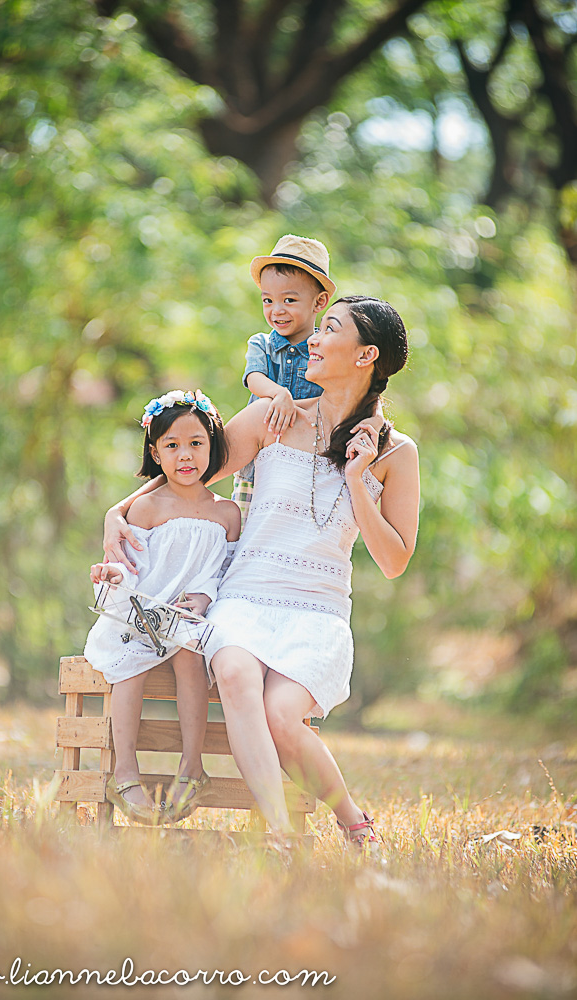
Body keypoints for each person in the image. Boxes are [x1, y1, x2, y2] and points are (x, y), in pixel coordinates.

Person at [103, 297, 420, 847]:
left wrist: (357, 478)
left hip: (317, 610)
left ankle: (354, 822)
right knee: (233, 671)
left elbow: (394, 561)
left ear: (367, 355)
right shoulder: (274, 417)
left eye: (329, 330)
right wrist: (117, 511)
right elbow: (188, 475)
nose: (312, 340)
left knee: (282, 717)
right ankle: (280, 833)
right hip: (244, 597)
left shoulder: (395, 453)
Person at [85, 389, 240, 825]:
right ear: (155, 452)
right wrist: (114, 576)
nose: (185, 456)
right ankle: (125, 772)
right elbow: (131, 567)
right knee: (131, 661)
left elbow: (226, 571)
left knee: (191, 654)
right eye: (171, 446)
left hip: (189, 618)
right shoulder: (146, 508)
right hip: (142, 614)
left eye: (196, 443)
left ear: (214, 446)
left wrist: (206, 598)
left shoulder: (227, 513)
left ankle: (193, 767)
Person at [232, 234, 334, 525]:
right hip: (257, 464)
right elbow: (253, 377)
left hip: (307, 464)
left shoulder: (324, 350)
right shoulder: (262, 343)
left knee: (290, 531)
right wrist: (279, 394)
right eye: (268, 300)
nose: (277, 310)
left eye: (289, 300)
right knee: (243, 529)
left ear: (320, 301)